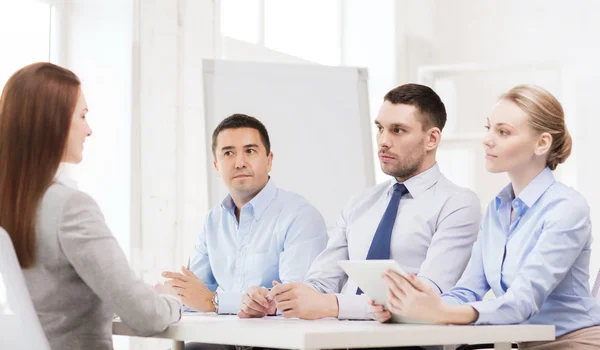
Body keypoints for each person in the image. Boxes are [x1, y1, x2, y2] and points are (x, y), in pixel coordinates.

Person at [374, 85, 600, 350]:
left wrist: (441, 313)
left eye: (503, 132)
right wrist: (412, 308)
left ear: (542, 143)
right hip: (519, 343)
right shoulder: (497, 209)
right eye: (489, 128)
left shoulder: (566, 208)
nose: (487, 139)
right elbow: (468, 291)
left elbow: (523, 301)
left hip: (573, 342)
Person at [265, 83, 481, 327]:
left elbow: (426, 297)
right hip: (341, 340)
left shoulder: (458, 204)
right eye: (380, 129)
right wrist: (283, 300)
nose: (383, 142)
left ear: (431, 138)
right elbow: (322, 283)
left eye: (398, 130)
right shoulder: (360, 204)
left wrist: (333, 305)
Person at [0, 62, 182, 350]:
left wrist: (146, 294)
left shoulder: (12, 205)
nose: (89, 130)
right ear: (53, 122)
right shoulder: (69, 207)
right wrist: (173, 299)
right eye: (83, 116)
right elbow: (147, 316)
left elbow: (64, 299)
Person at [163, 114, 327, 321]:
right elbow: (195, 295)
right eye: (229, 153)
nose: (239, 163)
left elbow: (295, 301)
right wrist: (164, 295)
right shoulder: (212, 221)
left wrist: (215, 302)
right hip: (229, 337)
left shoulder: (300, 215)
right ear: (216, 166)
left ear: (269, 160)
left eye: (250, 151)